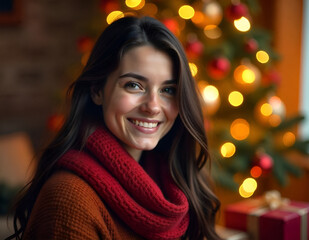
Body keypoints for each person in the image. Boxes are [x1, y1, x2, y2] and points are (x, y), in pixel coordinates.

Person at [7, 16, 221, 240]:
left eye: (168, 90)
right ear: (97, 90)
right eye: (134, 85)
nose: (153, 107)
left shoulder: (174, 181)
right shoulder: (69, 201)